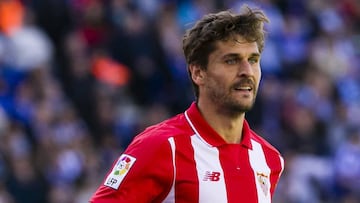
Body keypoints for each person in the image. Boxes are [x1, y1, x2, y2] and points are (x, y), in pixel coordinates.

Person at [90, 5, 284, 203]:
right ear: (198, 73)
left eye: (253, 60)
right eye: (231, 60)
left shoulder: (269, 159)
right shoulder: (161, 146)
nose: (247, 71)